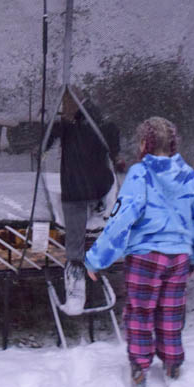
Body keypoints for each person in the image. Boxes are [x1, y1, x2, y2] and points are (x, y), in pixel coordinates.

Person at [84, 116, 194, 387]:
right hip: (178, 256)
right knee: (170, 311)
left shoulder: (139, 175)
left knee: (141, 312)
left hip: (146, 257)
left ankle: (140, 366)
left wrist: (96, 258)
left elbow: (120, 219)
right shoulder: (188, 174)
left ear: (144, 143)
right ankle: (172, 362)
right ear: (173, 143)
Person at [46, 88, 121, 315]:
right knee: (82, 226)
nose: (62, 108)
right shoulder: (85, 122)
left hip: (82, 191)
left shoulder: (81, 123)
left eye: (65, 103)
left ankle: (76, 284)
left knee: (76, 238)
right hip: (99, 188)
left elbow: (43, 144)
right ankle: (84, 270)